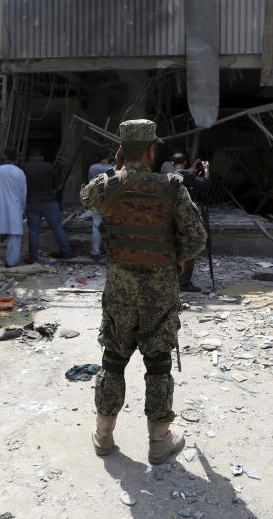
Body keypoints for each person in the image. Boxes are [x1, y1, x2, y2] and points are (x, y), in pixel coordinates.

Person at [80, 119, 207, 465]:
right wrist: (176, 258)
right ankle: (159, 441)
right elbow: (196, 238)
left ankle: (104, 437)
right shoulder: (171, 187)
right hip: (159, 288)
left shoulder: (106, 185)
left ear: (122, 150)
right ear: (152, 150)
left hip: (119, 287)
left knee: (113, 359)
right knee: (159, 362)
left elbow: (85, 195)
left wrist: (117, 168)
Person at [169, 152, 212, 293]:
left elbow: (184, 174)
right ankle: (185, 282)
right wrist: (206, 171)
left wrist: (192, 169)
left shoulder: (170, 172)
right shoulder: (185, 175)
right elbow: (205, 185)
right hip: (185, 217)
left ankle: (175, 279)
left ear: (172, 163)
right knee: (192, 245)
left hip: (170, 216)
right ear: (185, 162)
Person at [21, 147, 73, 263]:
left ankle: (33, 258)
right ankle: (67, 253)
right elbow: (56, 184)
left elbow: (22, 185)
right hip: (49, 201)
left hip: (33, 201)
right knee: (57, 228)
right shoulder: (49, 166)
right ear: (42, 157)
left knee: (34, 231)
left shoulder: (25, 167)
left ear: (30, 157)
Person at [0, 148, 26, 267]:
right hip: (16, 207)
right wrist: (23, 209)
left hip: (0, 206)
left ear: (4, 156)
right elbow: (24, 193)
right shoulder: (20, 172)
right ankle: (11, 262)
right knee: (15, 234)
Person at [86, 149, 112, 260]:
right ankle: (111, 251)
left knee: (96, 226)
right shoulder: (111, 169)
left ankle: (95, 252)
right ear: (108, 156)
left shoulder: (92, 168)